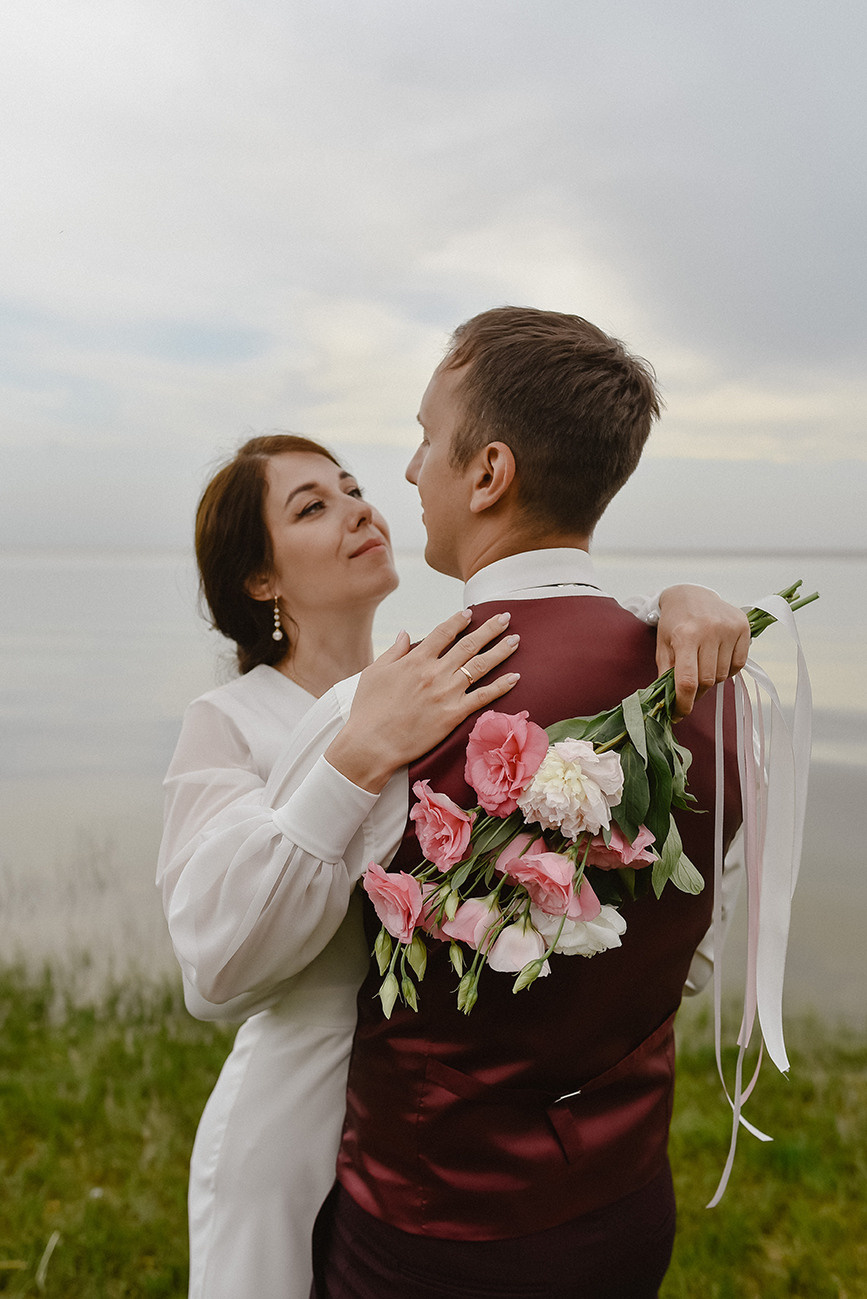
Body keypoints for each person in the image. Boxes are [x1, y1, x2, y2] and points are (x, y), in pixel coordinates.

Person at [158, 420, 748, 1296]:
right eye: (313, 506)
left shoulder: (439, 671)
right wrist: (352, 760)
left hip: (434, 1144)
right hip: (295, 1130)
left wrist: (671, 609)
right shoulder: (234, 720)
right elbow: (210, 974)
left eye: (353, 487)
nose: (360, 509)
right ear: (261, 578)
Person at [297, 308, 747, 1298]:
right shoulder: (717, 689)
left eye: (426, 439)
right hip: (624, 1210)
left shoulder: (397, 706)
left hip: (427, 1237)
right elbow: (694, 948)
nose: (411, 472)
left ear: (489, 473)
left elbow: (292, 965)